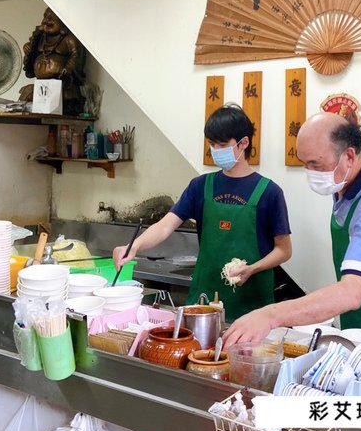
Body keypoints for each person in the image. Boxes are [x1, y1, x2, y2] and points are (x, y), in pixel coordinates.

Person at [222, 112, 361, 357]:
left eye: (315, 164)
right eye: (304, 163)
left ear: (348, 156)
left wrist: (270, 315)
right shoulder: (353, 173)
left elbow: (350, 293)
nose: (309, 172)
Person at [113, 104, 293, 322]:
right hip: (204, 296)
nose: (216, 150)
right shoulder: (201, 186)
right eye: (212, 144)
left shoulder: (269, 192)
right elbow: (165, 225)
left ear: (243, 143)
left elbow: (284, 250)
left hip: (251, 304)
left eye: (223, 144)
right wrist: (134, 246)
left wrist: (252, 269)